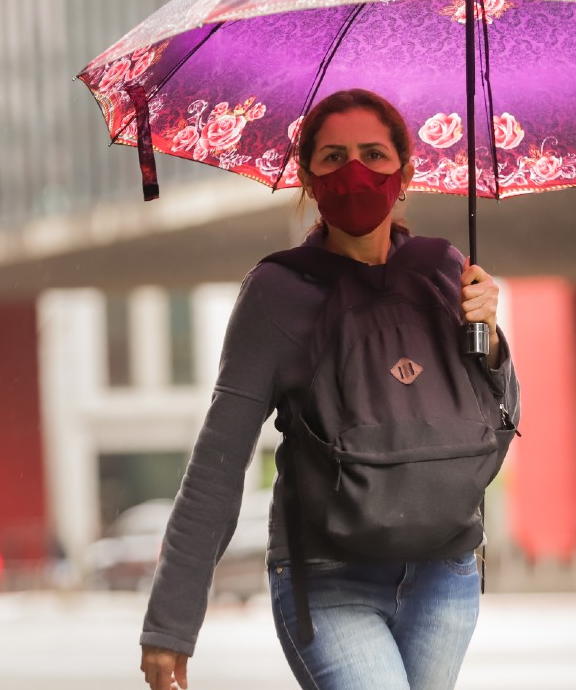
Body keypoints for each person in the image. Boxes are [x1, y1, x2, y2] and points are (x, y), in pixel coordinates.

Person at [138, 89, 521, 690]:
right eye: (334, 157)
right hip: (327, 580)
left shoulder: (446, 272)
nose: (355, 172)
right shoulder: (276, 293)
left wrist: (488, 336)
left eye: (374, 155)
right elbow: (219, 461)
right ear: (309, 179)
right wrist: (171, 623)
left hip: (444, 576)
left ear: (405, 174)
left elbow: (498, 415)